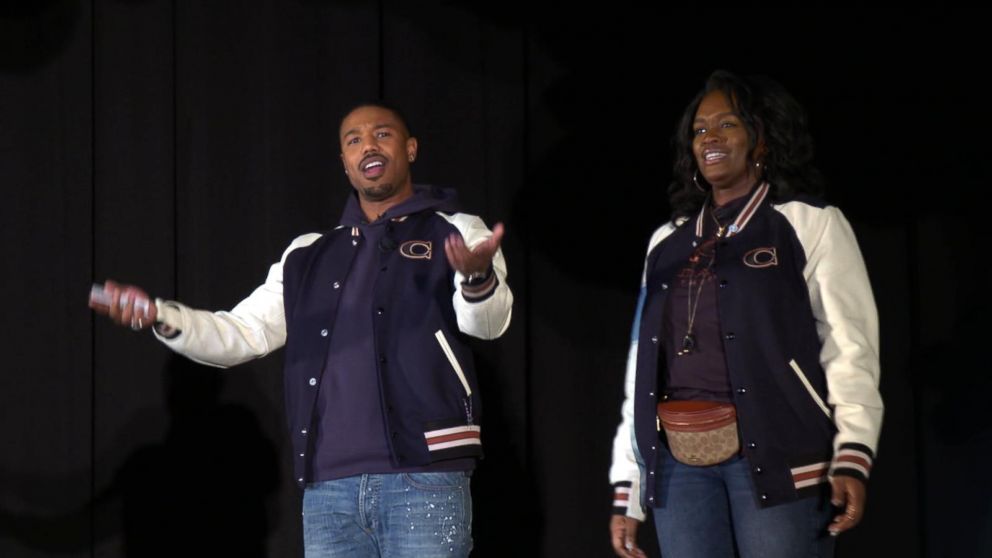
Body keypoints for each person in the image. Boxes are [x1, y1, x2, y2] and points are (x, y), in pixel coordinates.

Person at [90, 102, 512, 558]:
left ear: (410, 148)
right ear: (345, 164)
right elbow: (241, 333)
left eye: (382, 134)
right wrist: (158, 315)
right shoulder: (306, 255)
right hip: (329, 491)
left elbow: (488, 324)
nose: (368, 144)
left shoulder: (457, 231)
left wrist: (476, 277)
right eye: (353, 140)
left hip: (424, 477)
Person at [608, 70, 883, 558]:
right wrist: (628, 484)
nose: (709, 137)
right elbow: (641, 365)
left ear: (761, 139)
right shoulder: (666, 243)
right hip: (679, 463)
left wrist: (852, 453)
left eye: (727, 124)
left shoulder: (809, 224)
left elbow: (850, 346)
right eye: (699, 130)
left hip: (781, 455)